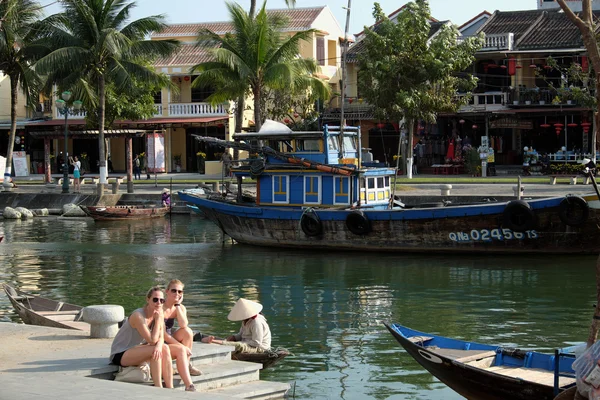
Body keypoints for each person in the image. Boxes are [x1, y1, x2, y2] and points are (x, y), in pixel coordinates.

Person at [108, 286, 196, 391]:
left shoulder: (158, 313)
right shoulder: (138, 316)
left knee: (178, 349)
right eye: (155, 299)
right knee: (157, 349)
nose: (158, 303)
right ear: (148, 299)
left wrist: (160, 345)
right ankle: (159, 387)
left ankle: (187, 385)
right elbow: (152, 340)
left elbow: (161, 336)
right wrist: (158, 320)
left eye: (161, 300)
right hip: (121, 353)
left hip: (140, 349)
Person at [201, 298, 271, 354]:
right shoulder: (245, 320)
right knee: (232, 340)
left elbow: (256, 343)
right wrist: (234, 337)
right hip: (248, 343)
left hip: (259, 348)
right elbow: (241, 334)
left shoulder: (256, 322)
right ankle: (217, 341)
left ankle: (212, 341)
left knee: (239, 345)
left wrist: (241, 342)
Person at [162, 279, 202, 376]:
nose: (177, 293)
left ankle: (186, 365)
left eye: (180, 291)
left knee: (187, 331)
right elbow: (163, 335)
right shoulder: (160, 306)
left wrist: (177, 305)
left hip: (169, 339)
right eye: (174, 290)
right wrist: (183, 347)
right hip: (158, 340)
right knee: (183, 343)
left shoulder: (180, 307)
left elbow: (183, 325)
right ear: (167, 291)